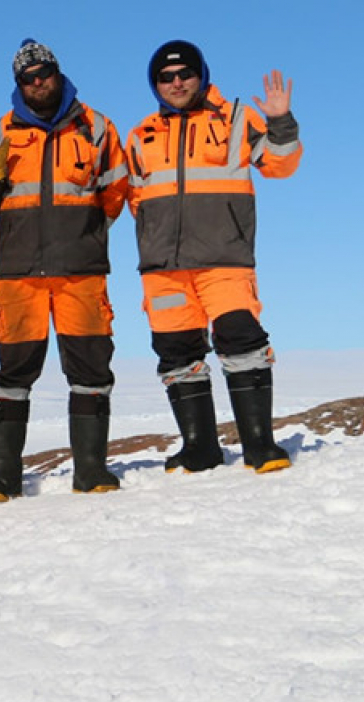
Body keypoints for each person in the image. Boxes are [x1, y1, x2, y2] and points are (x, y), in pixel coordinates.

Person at [0, 39, 130, 501]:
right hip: (19, 274)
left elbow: (115, 193)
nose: (38, 83)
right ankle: (3, 477)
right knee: (13, 372)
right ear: (18, 84)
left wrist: (87, 234)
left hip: (82, 271)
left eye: (44, 73)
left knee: (91, 369)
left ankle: (92, 470)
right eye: (27, 78)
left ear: (57, 72)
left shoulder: (96, 127)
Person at [126, 41, 301, 474]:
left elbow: (280, 165)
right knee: (177, 352)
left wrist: (280, 121)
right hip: (164, 269)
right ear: (156, 85)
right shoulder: (141, 134)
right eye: (165, 77)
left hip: (224, 259)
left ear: (201, 74)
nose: (176, 82)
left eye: (184, 73)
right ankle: (199, 448)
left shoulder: (237, 119)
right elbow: (132, 198)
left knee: (241, 339)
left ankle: (260, 446)